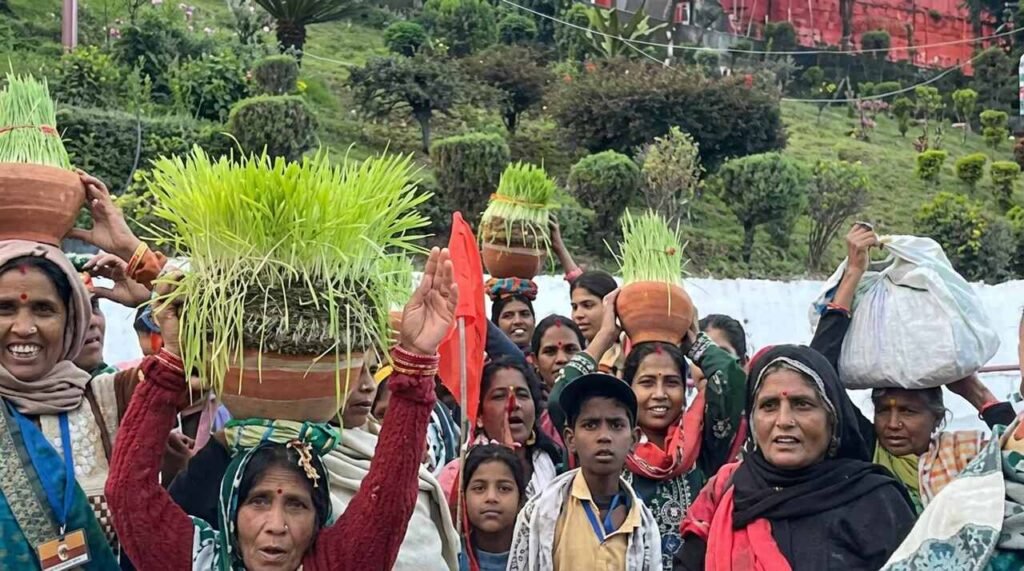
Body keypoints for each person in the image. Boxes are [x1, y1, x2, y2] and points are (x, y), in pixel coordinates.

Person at [105, 246, 460, 570]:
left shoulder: (337, 564)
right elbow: (126, 491)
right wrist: (172, 356)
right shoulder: (195, 562)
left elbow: (388, 502)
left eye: (296, 504)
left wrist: (416, 356)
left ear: (320, 515)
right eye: (258, 501)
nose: (276, 526)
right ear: (230, 508)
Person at [0, 171, 159, 569]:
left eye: (43, 309)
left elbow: (213, 365)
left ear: (72, 318)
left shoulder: (105, 399)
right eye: (4, 308)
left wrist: (140, 264)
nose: (24, 327)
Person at [811, 223, 1018, 512]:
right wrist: (853, 273)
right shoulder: (864, 450)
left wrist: (979, 395)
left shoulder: (966, 456)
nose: (892, 424)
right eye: (883, 410)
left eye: (908, 411)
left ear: (938, 418)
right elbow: (816, 377)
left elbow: (1017, 459)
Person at [675, 345, 917, 570]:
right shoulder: (726, 493)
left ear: (832, 417)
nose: (784, 421)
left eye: (802, 404)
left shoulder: (876, 502)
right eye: (769, 406)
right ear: (751, 419)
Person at [550, 291, 747, 567]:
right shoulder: (608, 446)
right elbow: (559, 400)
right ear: (628, 389)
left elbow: (731, 379)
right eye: (646, 382)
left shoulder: (702, 446)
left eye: (671, 382)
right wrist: (605, 336)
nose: (659, 394)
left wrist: (695, 342)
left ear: (685, 387)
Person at [507, 372, 662, 571]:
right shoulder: (541, 512)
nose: (604, 436)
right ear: (570, 439)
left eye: (616, 425)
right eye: (590, 425)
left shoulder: (644, 525)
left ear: (633, 440)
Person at [439, 358, 562, 502]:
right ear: (479, 416)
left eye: (522, 395)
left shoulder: (557, 469)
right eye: (499, 396)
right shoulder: (456, 476)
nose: (514, 404)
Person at [458, 444, 526, 571]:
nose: (491, 497)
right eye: (479, 488)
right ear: (463, 498)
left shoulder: (539, 555)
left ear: (520, 499)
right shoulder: (450, 557)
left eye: (504, 488)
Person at [570, 270, 626, 377]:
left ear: (611, 306)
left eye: (588, 305)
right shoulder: (568, 353)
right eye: (574, 307)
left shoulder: (628, 352)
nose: (578, 314)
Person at [487, 278, 537, 354]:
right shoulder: (482, 364)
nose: (518, 321)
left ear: (534, 321)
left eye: (524, 314)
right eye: (508, 316)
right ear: (495, 324)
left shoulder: (546, 362)